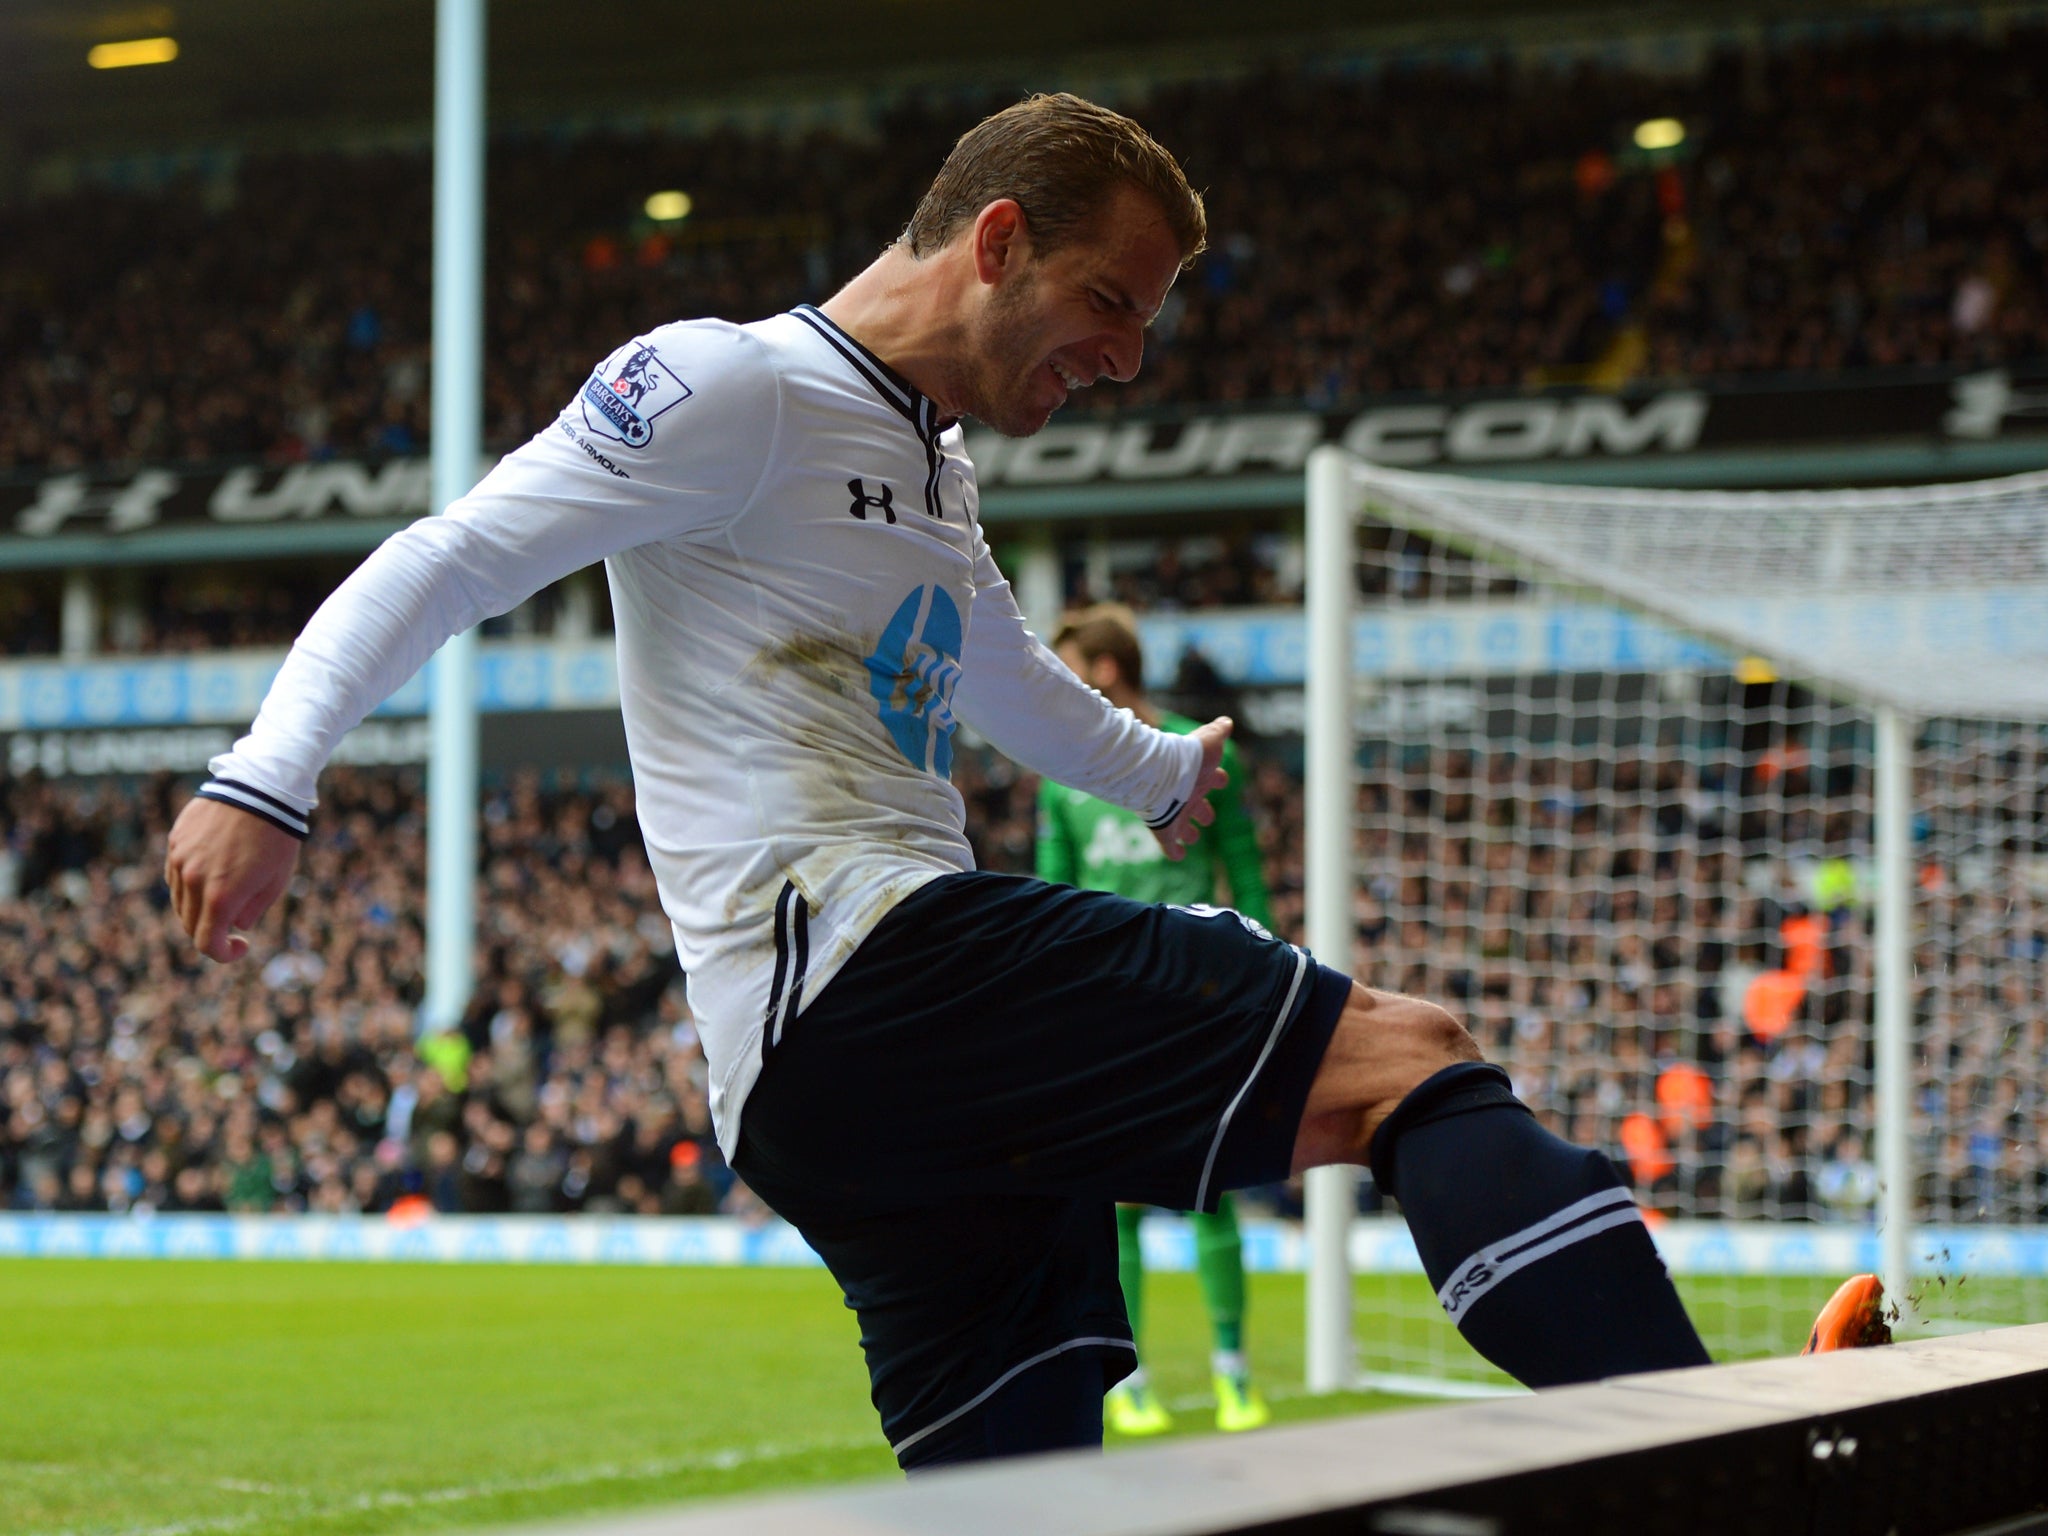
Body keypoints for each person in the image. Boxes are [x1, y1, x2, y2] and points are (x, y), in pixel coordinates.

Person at [166, 92, 1714, 1471]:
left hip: (837, 1069)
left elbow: (1001, 675)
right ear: (994, 240)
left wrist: (1158, 773)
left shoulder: (930, 464)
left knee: (1022, 1463)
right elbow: (451, 555)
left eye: (1149, 326)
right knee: (1409, 1059)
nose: (1124, 357)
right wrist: (266, 777)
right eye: (1108, 301)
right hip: (859, 967)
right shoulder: (725, 387)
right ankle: (1735, 1467)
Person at [1038, 604, 1271, 1436]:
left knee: (1213, 1192)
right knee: (1120, 1205)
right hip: (1109, 1007)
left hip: (1198, 997)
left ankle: (1233, 1373)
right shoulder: (1060, 775)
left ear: (1103, 668)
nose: (1058, 680)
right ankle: (1131, 1385)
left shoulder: (1201, 752)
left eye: (1068, 664)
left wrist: (1262, 965)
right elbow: (1053, 896)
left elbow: (1242, 864)